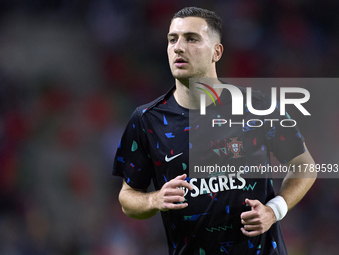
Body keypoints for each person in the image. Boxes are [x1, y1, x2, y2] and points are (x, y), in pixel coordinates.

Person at [113, 7, 316, 255]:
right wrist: (154, 199)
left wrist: (274, 210)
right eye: (172, 39)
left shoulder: (258, 107)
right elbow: (128, 198)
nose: (178, 47)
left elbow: (304, 165)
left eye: (191, 39)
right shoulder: (146, 120)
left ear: (216, 52)